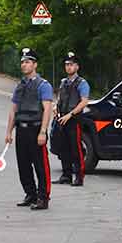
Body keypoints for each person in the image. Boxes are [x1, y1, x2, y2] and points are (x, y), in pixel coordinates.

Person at [5, 48, 55, 210]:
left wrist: (43, 132)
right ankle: (30, 194)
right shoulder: (20, 86)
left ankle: (43, 197)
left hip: (36, 129)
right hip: (22, 130)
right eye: (22, 62)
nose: (24, 65)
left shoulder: (43, 85)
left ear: (35, 65)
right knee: (24, 165)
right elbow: (13, 110)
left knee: (40, 165)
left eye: (27, 62)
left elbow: (47, 109)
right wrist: (8, 132)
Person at [54, 51, 91, 186]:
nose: (68, 67)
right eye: (67, 65)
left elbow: (84, 102)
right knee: (63, 148)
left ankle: (79, 177)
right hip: (62, 118)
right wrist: (55, 108)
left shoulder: (82, 83)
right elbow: (59, 98)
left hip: (74, 119)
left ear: (77, 67)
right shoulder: (64, 82)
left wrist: (70, 114)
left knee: (75, 149)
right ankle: (66, 175)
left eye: (71, 64)